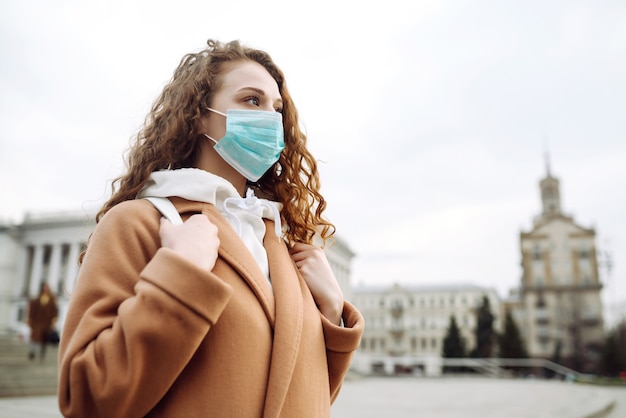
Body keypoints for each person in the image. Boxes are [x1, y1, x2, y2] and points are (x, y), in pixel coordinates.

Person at [58, 39, 364, 418]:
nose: (270, 118)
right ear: (199, 114)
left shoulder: (282, 244)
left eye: (277, 108)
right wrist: (179, 277)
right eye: (252, 100)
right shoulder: (140, 224)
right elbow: (86, 398)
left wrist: (331, 313)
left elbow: (299, 397)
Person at [27, 282, 58, 361]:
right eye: (45, 287)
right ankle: (32, 352)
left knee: (44, 339)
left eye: (47, 288)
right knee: (34, 337)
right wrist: (30, 319)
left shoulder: (52, 299)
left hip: (47, 323)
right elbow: (33, 309)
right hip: (37, 321)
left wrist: (54, 320)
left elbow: (54, 311)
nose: (46, 289)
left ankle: (42, 354)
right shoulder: (38, 298)